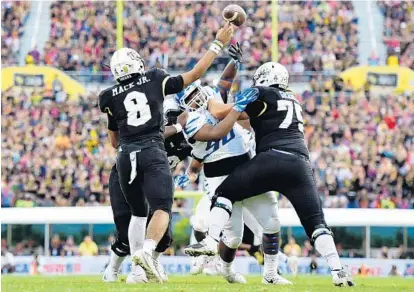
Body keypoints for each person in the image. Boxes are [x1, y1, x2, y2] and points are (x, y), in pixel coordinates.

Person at [184, 62, 355, 287]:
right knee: (316, 223)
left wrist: (212, 99)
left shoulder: (260, 92)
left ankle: (210, 241)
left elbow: (221, 112)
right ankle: (337, 270)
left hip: (271, 158)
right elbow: (248, 118)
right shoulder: (292, 99)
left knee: (225, 191)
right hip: (301, 165)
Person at [98, 22, 234, 283]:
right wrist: (217, 44)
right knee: (161, 208)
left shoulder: (107, 96)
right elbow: (195, 73)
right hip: (150, 150)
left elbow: (114, 140)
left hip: (126, 155)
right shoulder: (155, 78)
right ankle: (143, 259)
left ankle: (139, 271)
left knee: (138, 214)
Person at [175, 72, 291, 283]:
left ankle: (271, 274)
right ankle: (224, 267)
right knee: (233, 237)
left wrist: (234, 64)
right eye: (189, 97)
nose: (195, 99)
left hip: (247, 170)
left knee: (272, 221)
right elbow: (214, 135)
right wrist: (237, 108)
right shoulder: (192, 121)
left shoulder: (216, 101)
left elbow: (225, 84)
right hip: (220, 179)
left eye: (196, 93)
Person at [102, 98, 192, 284]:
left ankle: (150, 265)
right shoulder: (147, 129)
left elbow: (199, 155)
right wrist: (177, 127)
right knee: (126, 232)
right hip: (125, 178)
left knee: (164, 236)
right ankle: (112, 269)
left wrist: (189, 174)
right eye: (173, 118)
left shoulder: (186, 139)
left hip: (153, 181)